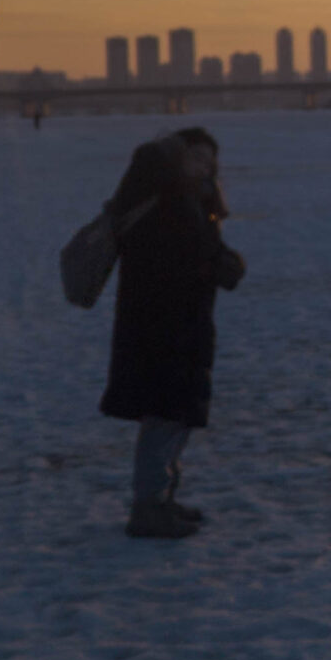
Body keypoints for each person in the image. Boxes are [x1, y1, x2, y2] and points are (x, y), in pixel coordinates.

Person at [100, 128, 245, 539]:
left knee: (175, 416)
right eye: (197, 157)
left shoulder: (184, 199)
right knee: (165, 417)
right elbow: (182, 257)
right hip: (163, 327)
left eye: (210, 161)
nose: (205, 166)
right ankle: (148, 508)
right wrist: (221, 264)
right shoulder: (166, 201)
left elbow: (198, 250)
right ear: (178, 157)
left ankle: (161, 499)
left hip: (179, 323)